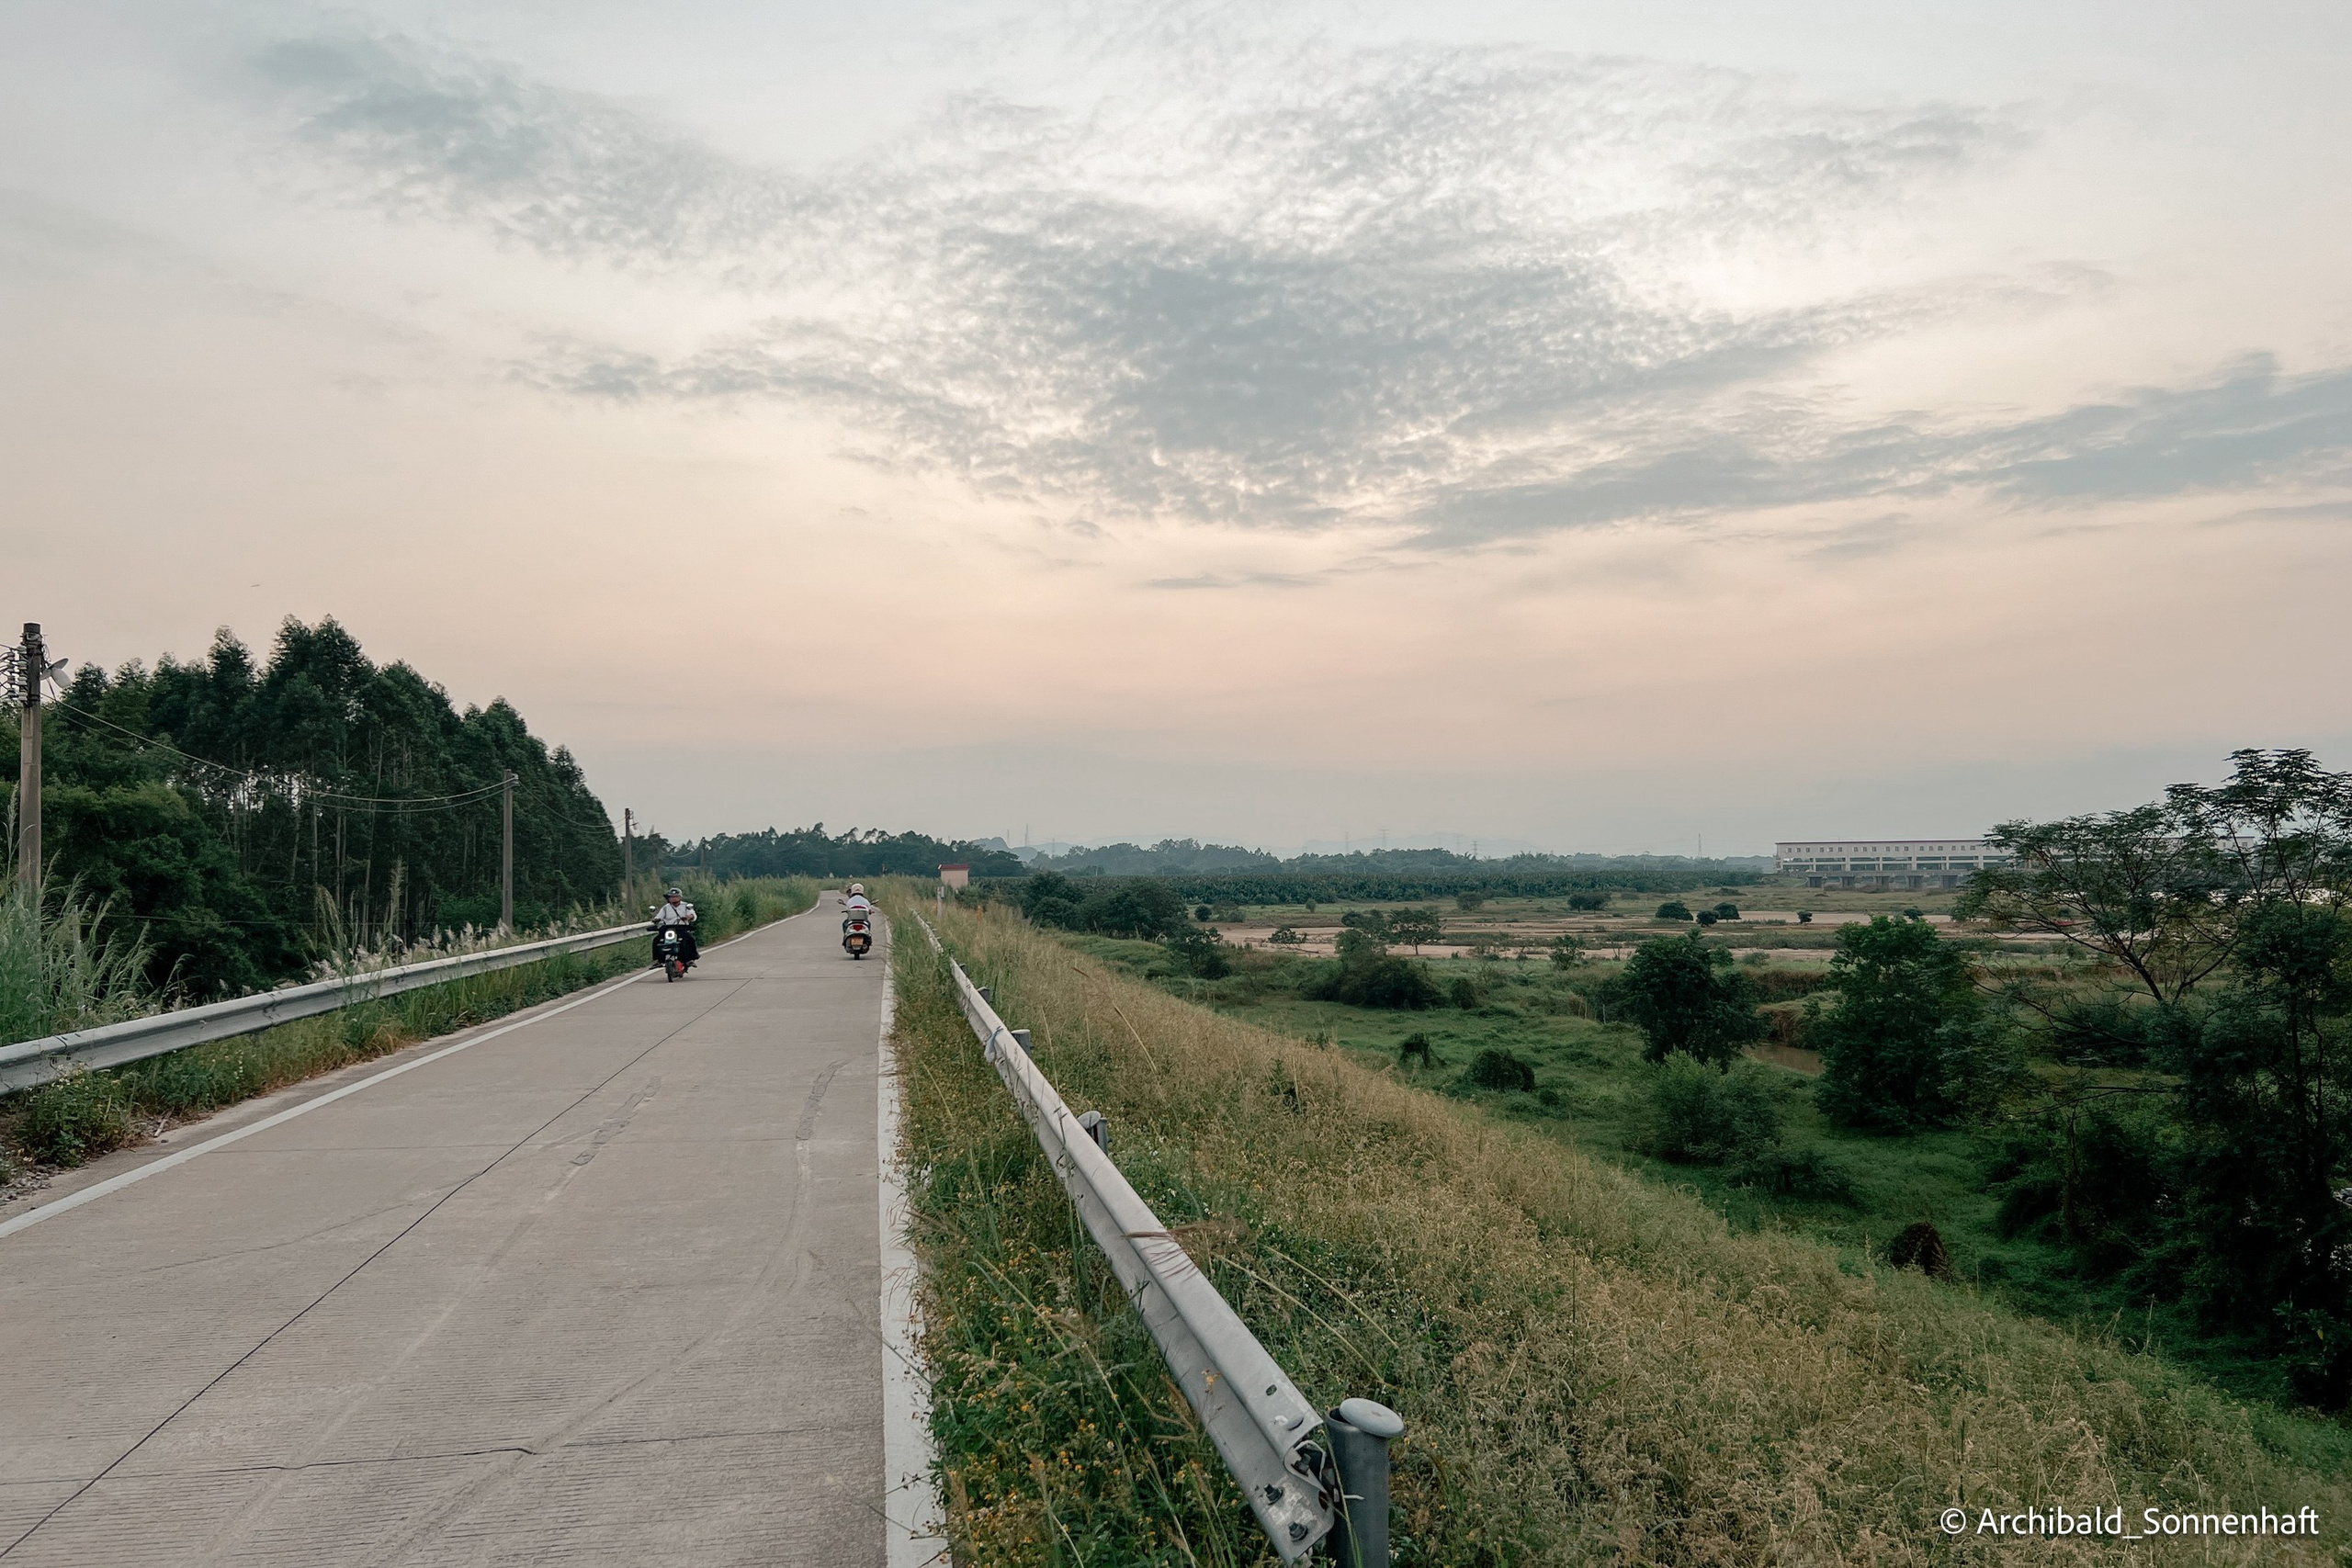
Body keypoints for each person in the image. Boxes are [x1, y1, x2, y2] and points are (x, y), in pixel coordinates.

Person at [651, 886, 699, 965]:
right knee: (657, 940)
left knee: (689, 939)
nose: (673, 898)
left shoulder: (686, 906)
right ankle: (658, 960)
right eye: (671, 897)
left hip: (681, 927)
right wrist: (656, 919)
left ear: (680, 897)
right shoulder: (665, 907)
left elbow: (692, 914)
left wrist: (689, 917)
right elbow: (659, 916)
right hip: (668, 927)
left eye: (676, 896)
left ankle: (690, 959)